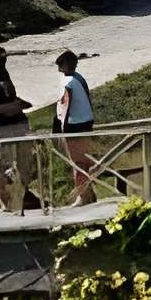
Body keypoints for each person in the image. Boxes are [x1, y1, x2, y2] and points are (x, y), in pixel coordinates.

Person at [0, 45, 38, 212]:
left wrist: (20, 103)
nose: (0, 63)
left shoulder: (5, 75)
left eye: (3, 59)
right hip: (1, 126)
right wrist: (10, 107)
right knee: (2, 164)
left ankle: (23, 193)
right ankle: (5, 201)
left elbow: (9, 95)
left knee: (25, 161)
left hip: (18, 122)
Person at [54, 50, 96, 205]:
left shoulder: (68, 82)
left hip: (74, 125)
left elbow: (65, 106)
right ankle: (89, 193)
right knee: (85, 161)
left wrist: (60, 129)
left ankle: (83, 196)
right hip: (86, 122)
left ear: (65, 65)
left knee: (77, 163)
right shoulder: (79, 78)